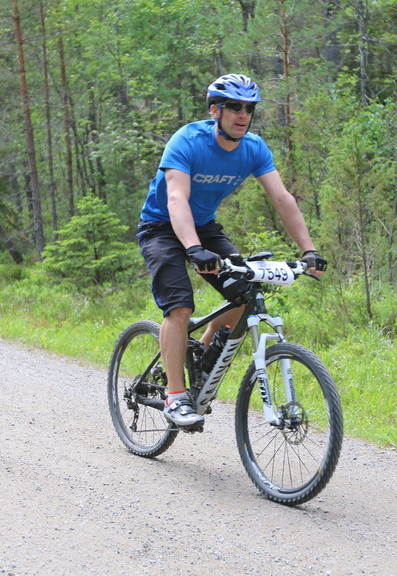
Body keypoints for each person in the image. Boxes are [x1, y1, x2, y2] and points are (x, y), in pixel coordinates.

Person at [137, 73, 327, 428]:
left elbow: (282, 199)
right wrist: (193, 249)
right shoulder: (187, 141)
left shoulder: (253, 148)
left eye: (249, 109)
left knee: (244, 292)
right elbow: (176, 198)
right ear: (215, 110)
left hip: (204, 227)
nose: (243, 115)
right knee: (180, 307)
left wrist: (309, 250)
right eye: (235, 107)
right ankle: (175, 396)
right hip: (161, 226)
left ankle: (203, 352)